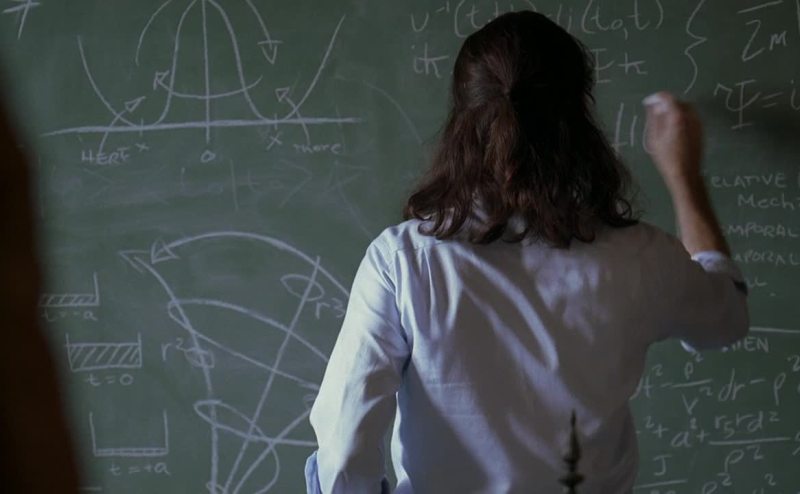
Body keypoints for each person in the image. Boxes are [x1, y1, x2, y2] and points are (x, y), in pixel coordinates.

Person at [305, 11, 748, 494]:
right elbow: (726, 316)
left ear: (462, 120)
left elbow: (344, 455)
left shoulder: (403, 261)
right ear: (578, 120)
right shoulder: (641, 256)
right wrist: (684, 176)